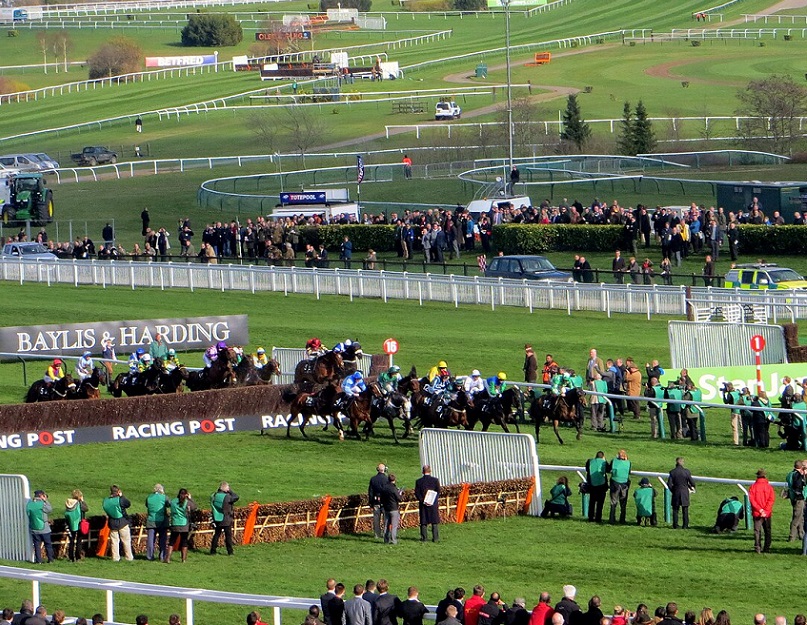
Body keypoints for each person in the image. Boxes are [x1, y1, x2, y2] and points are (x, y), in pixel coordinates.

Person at [103, 484, 133, 561]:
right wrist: (121, 496)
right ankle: (129, 557)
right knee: (126, 540)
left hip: (112, 522)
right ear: (118, 491)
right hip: (122, 521)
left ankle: (115, 558)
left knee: (114, 541)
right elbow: (128, 504)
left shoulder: (106, 501)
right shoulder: (120, 499)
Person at [166, 488, 196, 563]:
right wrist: (190, 499)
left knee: (172, 541)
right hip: (184, 524)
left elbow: (169, 506)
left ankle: (168, 558)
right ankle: (183, 559)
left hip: (175, 523)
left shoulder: (173, 501)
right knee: (184, 542)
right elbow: (194, 507)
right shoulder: (187, 502)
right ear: (186, 494)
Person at [749, 468, 775, 553]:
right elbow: (771, 500)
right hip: (767, 513)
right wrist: (766, 511)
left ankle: (757, 548)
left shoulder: (753, 487)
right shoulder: (769, 487)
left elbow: (752, 500)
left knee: (757, 531)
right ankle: (767, 548)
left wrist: (760, 510)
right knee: (767, 530)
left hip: (757, 513)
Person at [210, 481, 239, 556]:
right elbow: (236, 497)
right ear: (225, 489)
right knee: (228, 536)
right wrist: (230, 491)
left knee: (216, 535)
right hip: (226, 519)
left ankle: (213, 550)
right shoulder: (227, 497)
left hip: (217, 517)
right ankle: (230, 551)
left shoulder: (214, 495)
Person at [668, 457, 695, 529]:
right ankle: (685, 525)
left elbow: (669, 484)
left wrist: (673, 491)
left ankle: (675, 525)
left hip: (676, 492)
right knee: (685, 510)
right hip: (684, 493)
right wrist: (691, 487)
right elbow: (692, 482)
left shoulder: (672, 472)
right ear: (682, 462)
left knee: (675, 510)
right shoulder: (686, 472)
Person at [415, 465, 440, 542]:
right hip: (433, 504)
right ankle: (435, 538)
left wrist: (423, 500)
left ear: (423, 471)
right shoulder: (435, 480)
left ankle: (424, 538)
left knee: (423, 521)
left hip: (423, 504)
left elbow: (417, 493)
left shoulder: (419, 481)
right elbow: (438, 492)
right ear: (430, 471)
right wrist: (432, 500)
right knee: (434, 521)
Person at [27, 489, 53, 563]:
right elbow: (49, 510)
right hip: (44, 528)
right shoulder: (42, 504)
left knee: (37, 546)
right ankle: (50, 559)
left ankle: (38, 561)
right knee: (48, 544)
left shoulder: (30, 504)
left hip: (34, 528)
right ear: (41, 495)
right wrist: (45, 501)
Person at [145, 483, 170, 562]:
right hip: (162, 521)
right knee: (162, 540)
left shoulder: (149, 497)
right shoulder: (164, 497)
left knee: (150, 540)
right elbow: (169, 504)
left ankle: (150, 556)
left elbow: (147, 505)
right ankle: (162, 556)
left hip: (151, 521)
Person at [608, 449, 631, 524]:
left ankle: (611, 519)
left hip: (614, 484)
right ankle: (622, 519)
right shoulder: (628, 463)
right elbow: (629, 471)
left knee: (613, 502)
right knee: (623, 504)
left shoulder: (614, 461)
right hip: (624, 485)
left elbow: (609, 469)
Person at [64, 488, 88, 562]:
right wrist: (82, 501)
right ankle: (78, 557)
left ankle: (71, 557)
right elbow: (86, 509)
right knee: (79, 541)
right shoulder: (79, 503)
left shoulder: (68, 503)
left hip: (70, 524)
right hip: (79, 523)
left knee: (71, 541)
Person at [585, 451, 608, 523]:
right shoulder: (604, 462)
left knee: (592, 502)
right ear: (603, 457)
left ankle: (590, 517)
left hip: (592, 484)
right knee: (600, 503)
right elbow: (608, 469)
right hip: (602, 485)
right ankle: (598, 518)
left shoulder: (590, 461)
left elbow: (587, 469)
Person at [786, 460, 806, 542]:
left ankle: (801, 534)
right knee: (797, 517)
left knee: (800, 517)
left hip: (792, 497)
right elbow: (798, 487)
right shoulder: (797, 476)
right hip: (799, 499)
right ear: (801, 467)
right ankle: (792, 536)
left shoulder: (790, 474)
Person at [368, 464, 389, 540]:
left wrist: (371, 502)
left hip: (376, 501)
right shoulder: (387, 479)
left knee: (376, 519)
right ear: (385, 469)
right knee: (385, 519)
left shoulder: (373, 479)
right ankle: (385, 533)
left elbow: (370, 492)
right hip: (385, 502)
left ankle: (377, 534)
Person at [381, 474, 402, 544]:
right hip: (394, 508)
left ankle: (386, 539)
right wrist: (400, 494)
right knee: (394, 525)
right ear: (394, 480)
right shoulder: (394, 488)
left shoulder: (384, 488)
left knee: (386, 525)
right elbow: (399, 498)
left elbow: (381, 498)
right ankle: (393, 540)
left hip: (386, 508)